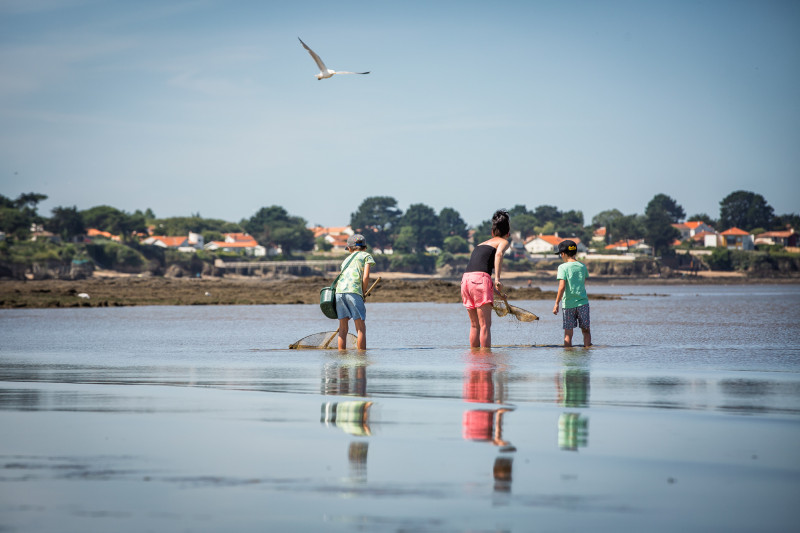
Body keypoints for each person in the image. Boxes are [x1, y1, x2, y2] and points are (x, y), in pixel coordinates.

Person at [461, 210, 511, 348]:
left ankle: (474, 359)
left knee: (474, 325)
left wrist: (498, 294)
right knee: (485, 325)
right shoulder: (503, 242)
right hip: (481, 280)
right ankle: (485, 361)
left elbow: (478, 275)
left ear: (492, 232)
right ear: (508, 233)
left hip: (465, 280)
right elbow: (499, 255)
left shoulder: (480, 245)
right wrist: (498, 279)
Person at [335, 233, 375, 350]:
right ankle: (361, 358)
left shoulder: (346, 260)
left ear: (349, 248)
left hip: (339, 292)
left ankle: (342, 358)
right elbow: (366, 276)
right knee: (360, 328)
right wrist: (362, 293)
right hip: (354, 292)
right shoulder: (366, 256)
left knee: (342, 329)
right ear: (365, 247)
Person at [551, 239, 591, 347]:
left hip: (568, 305)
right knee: (586, 331)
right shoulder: (582, 266)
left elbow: (562, 287)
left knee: (568, 334)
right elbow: (581, 282)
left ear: (563, 254)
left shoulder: (562, 267)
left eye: (560, 254)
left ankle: (568, 356)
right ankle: (587, 352)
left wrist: (556, 303)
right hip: (583, 303)